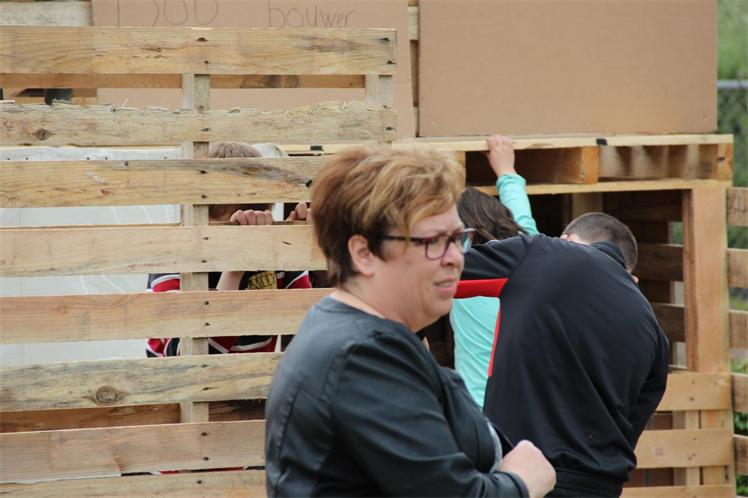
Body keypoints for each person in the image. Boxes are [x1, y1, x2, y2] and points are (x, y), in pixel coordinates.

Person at [265, 146, 556, 497]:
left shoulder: (363, 335)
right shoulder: (364, 358)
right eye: (433, 241)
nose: (455, 258)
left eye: (457, 239)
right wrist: (521, 482)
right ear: (364, 254)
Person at [456, 212, 669, 497]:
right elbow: (627, 433)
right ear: (632, 276)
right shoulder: (655, 334)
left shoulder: (543, 253)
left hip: (523, 476)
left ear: (566, 239)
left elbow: (437, 274)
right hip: (599, 487)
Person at [146, 142, 311, 357]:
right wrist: (235, 269)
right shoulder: (173, 260)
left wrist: (298, 251)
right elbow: (187, 359)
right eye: (227, 226)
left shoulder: (268, 252)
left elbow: (307, 326)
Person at [452, 135, 538, 407]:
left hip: (479, 408)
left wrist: (506, 172)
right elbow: (522, 220)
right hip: (528, 409)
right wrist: (506, 170)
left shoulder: (459, 268)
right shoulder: (532, 258)